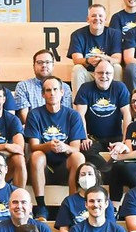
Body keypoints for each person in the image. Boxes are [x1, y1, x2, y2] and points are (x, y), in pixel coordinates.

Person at [24, 77, 90, 213]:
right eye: (48, 90)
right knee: (36, 155)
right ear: (43, 94)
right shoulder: (34, 114)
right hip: (43, 167)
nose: (52, 93)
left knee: (78, 157)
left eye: (55, 89)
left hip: (64, 167)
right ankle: (41, 206)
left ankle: (72, 206)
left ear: (62, 92)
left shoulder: (73, 115)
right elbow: (33, 146)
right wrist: (48, 145)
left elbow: (75, 148)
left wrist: (65, 147)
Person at [69, 4, 122, 92]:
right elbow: (76, 60)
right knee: (77, 68)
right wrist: (88, 60)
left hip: (106, 73)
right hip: (88, 73)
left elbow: (117, 59)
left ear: (105, 19)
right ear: (88, 19)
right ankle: (77, 104)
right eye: (93, 16)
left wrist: (105, 59)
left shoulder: (115, 34)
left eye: (100, 16)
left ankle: (116, 101)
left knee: (117, 67)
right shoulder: (77, 35)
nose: (97, 18)